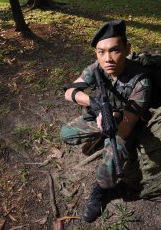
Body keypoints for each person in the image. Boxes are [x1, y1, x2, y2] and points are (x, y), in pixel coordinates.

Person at [60, 19, 152, 223]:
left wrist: (112, 120)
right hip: (103, 117)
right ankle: (101, 138)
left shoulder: (141, 81)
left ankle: (101, 192)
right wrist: (95, 104)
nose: (107, 58)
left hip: (125, 125)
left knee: (112, 163)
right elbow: (69, 92)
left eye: (114, 50)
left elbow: (126, 128)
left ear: (127, 49)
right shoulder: (96, 69)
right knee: (66, 133)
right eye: (101, 52)